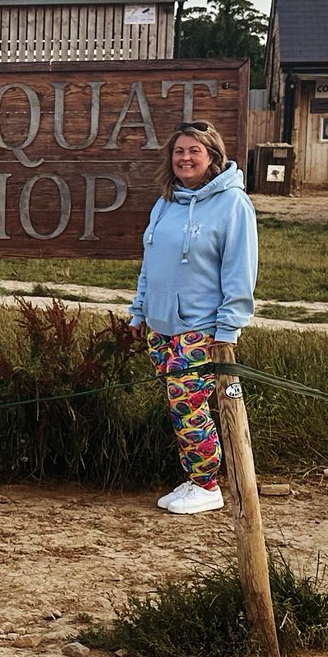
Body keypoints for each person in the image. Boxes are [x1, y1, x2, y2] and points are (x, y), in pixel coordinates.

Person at [129, 120, 258, 515]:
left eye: (194, 151)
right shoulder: (165, 202)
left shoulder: (233, 203)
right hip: (160, 325)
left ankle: (207, 485)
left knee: (189, 405)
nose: (185, 158)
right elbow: (150, 264)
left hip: (200, 327)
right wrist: (139, 312)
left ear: (212, 156)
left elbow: (240, 269)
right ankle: (194, 478)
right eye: (179, 151)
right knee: (178, 406)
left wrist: (228, 328)